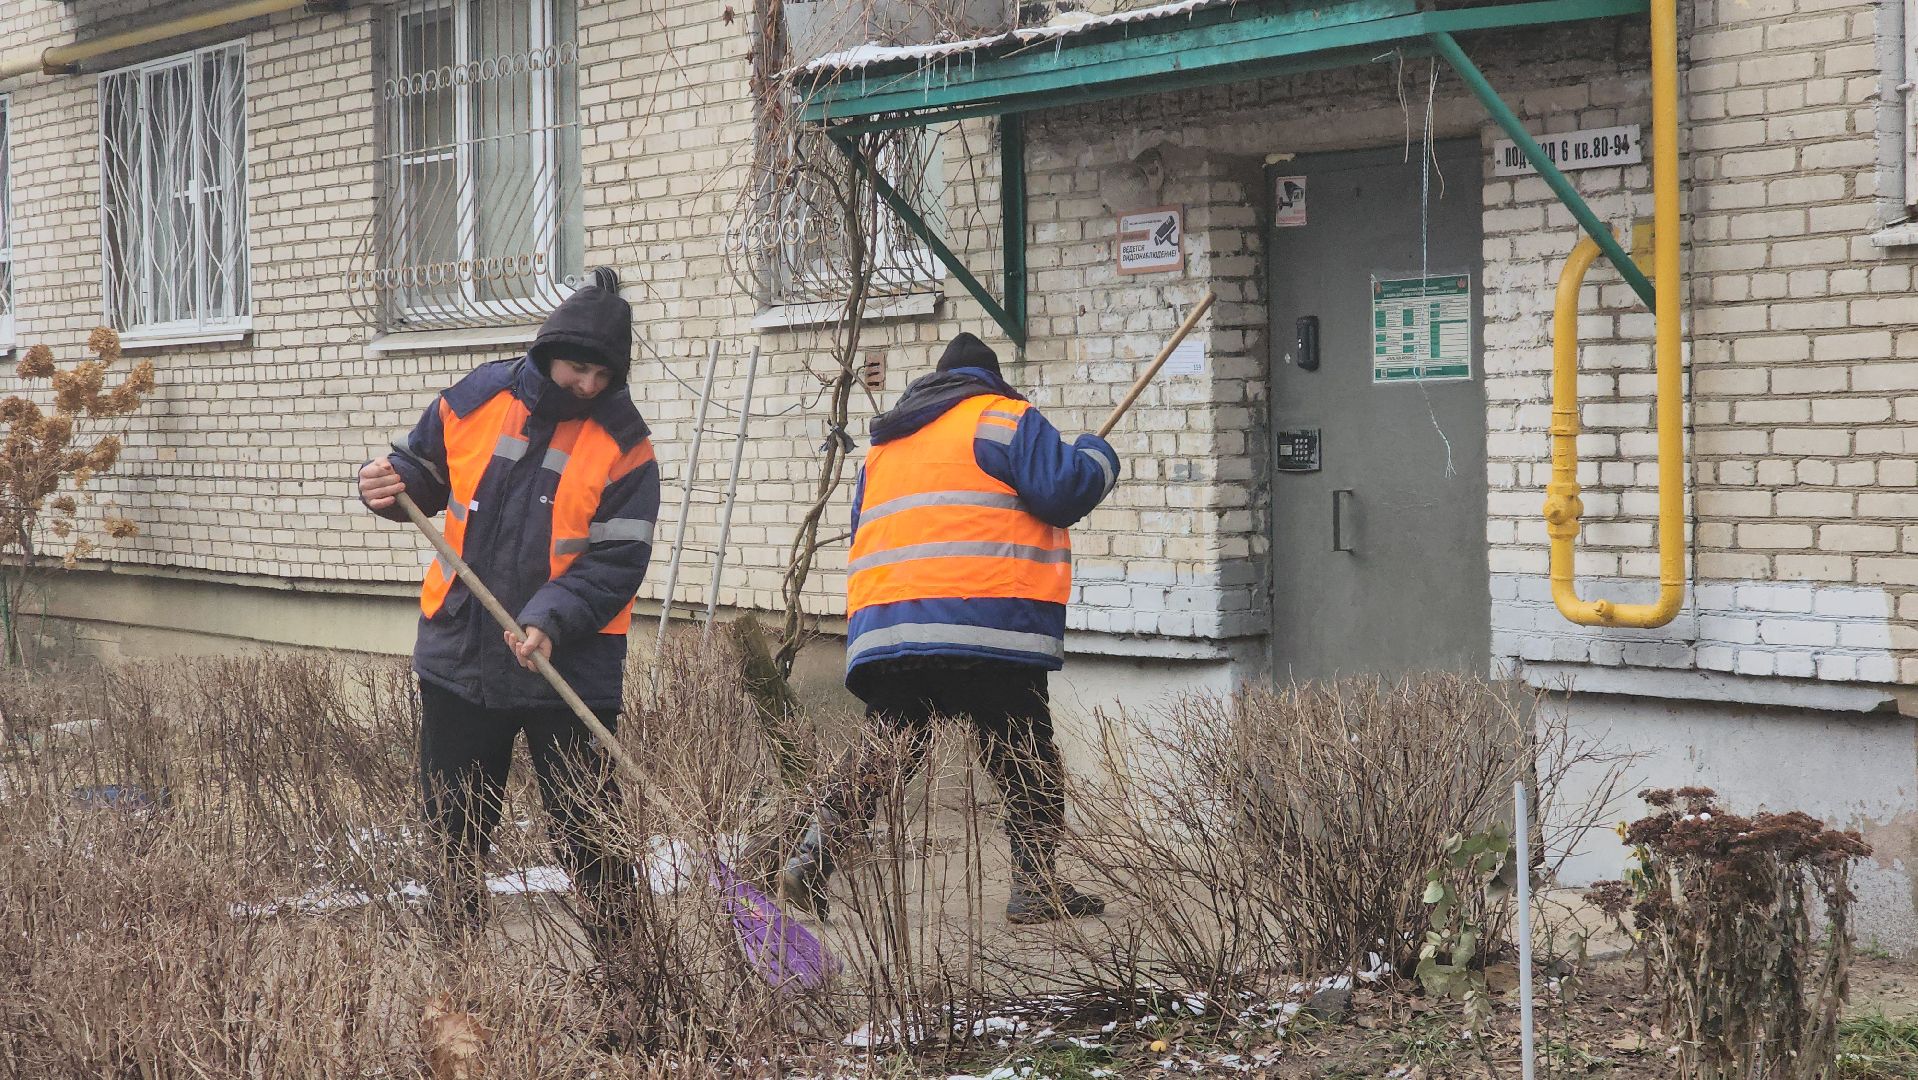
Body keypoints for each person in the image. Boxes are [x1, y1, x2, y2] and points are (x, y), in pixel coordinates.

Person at [356, 267, 660, 950]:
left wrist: (550, 618)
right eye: (578, 369)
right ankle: (461, 980)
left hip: (570, 667)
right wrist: (387, 483)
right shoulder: (478, 397)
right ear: (549, 352)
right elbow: (422, 471)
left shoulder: (626, 445)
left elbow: (618, 561)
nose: (588, 386)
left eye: (602, 376)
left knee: (592, 836)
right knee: (453, 834)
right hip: (460, 655)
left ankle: (632, 977)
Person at [779, 331, 1120, 924]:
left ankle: (813, 855)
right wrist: (1097, 456)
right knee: (1023, 753)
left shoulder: (886, 447)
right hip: (985, 622)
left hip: (893, 626)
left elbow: (869, 528)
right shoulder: (1005, 419)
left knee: (887, 748)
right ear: (990, 381)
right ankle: (1036, 885)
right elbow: (1064, 492)